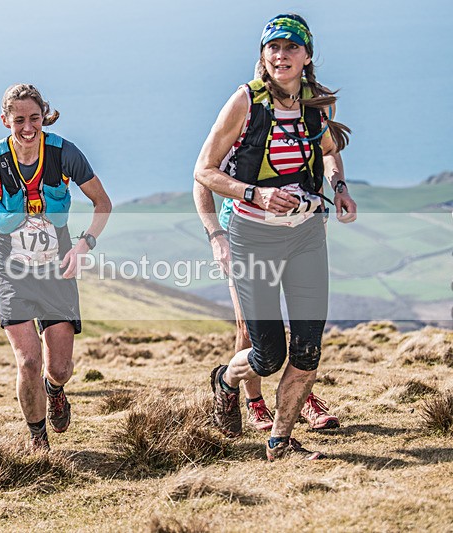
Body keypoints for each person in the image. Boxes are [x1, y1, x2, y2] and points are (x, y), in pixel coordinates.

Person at [193, 14, 356, 460]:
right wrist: (256, 195)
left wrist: (339, 188)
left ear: (307, 56)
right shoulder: (244, 103)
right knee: (265, 355)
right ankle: (227, 380)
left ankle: (280, 441)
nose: (281, 55)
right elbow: (203, 171)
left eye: (291, 48)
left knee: (307, 349)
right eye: (273, 48)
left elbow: (329, 152)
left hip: (306, 235)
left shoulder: (316, 105)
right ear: (263, 55)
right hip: (252, 237)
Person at [0, 84, 111, 450]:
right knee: (27, 361)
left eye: (35, 118)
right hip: (10, 269)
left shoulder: (64, 153)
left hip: (57, 268)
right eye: (19, 120)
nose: (28, 127)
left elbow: (102, 203)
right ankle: (38, 440)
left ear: (44, 116)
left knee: (59, 369)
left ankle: (55, 391)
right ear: (5, 119)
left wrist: (85, 243)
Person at [193, 181, 340, 431]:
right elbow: (203, 176)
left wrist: (334, 195)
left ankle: (301, 399)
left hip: (300, 231)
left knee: (303, 329)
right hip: (242, 233)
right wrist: (216, 235)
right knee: (250, 330)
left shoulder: (302, 139)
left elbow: (323, 157)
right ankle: (254, 402)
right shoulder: (230, 139)